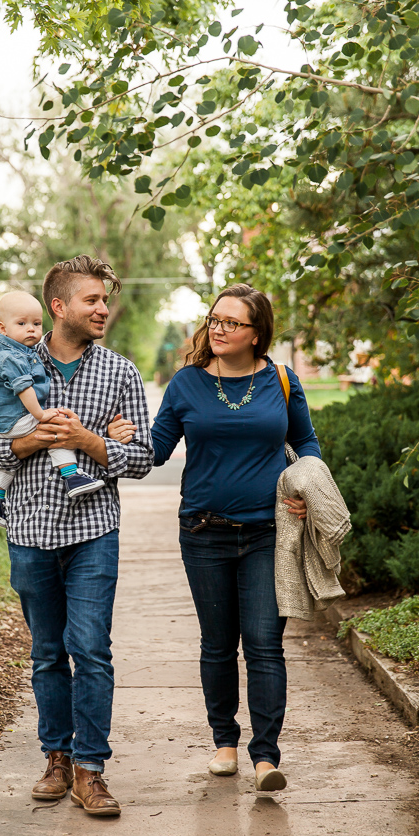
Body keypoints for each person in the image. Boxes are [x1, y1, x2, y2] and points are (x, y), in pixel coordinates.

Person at [111, 284, 321, 792]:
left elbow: (305, 441)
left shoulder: (282, 380)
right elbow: (156, 451)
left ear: (257, 332)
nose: (220, 329)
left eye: (233, 322)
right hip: (203, 533)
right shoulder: (186, 384)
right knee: (218, 644)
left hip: (269, 533)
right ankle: (224, 742)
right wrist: (125, 437)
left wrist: (306, 487)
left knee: (266, 645)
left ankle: (266, 758)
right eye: (215, 319)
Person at [0, 255, 154, 817]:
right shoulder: (9, 360)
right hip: (28, 530)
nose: (103, 309)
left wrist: (89, 440)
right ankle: (56, 757)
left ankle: (90, 771)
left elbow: (143, 456)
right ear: (58, 306)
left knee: (90, 649)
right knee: (48, 652)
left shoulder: (120, 373)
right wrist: (28, 442)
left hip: (94, 528)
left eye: (105, 300)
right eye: (92, 300)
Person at [0, 291, 104, 527]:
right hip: (13, 418)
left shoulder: (3, 352)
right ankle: (71, 476)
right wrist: (41, 415)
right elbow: (24, 388)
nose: (31, 329)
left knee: (14, 454)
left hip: (0, 422)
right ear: (3, 328)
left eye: (36, 323)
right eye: (22, 323)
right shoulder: (11, 356)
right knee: (56, 426)